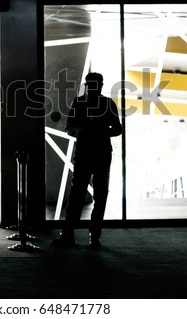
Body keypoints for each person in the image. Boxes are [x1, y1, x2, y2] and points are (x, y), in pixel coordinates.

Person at [52, 72, 123, 249]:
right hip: (94, 153)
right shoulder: (99, 103)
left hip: (93, 154)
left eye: (94, 84)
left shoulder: (94, 103)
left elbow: (117, 128)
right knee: (91, 195)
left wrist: (90, 132)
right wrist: (84, 132)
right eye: (91, 84)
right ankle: (88, 235)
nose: (93, 87)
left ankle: (74, 234)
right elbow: (71, 127)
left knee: (87, 194)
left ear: (98, 86)